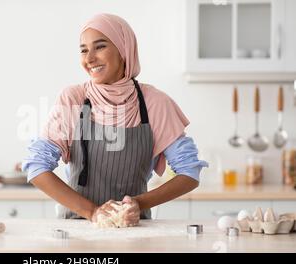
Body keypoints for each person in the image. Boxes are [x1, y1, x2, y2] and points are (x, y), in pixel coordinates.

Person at [22, 13, 208, 226]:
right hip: (77, 228)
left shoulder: (154, 103)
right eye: (83, 50)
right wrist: (93, 212)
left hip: (134, 230)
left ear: (124, 50)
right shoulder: (73, 98)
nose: (89, 58)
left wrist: (138, 203)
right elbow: (36, 166)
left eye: (100, 47)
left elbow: (190, 171)